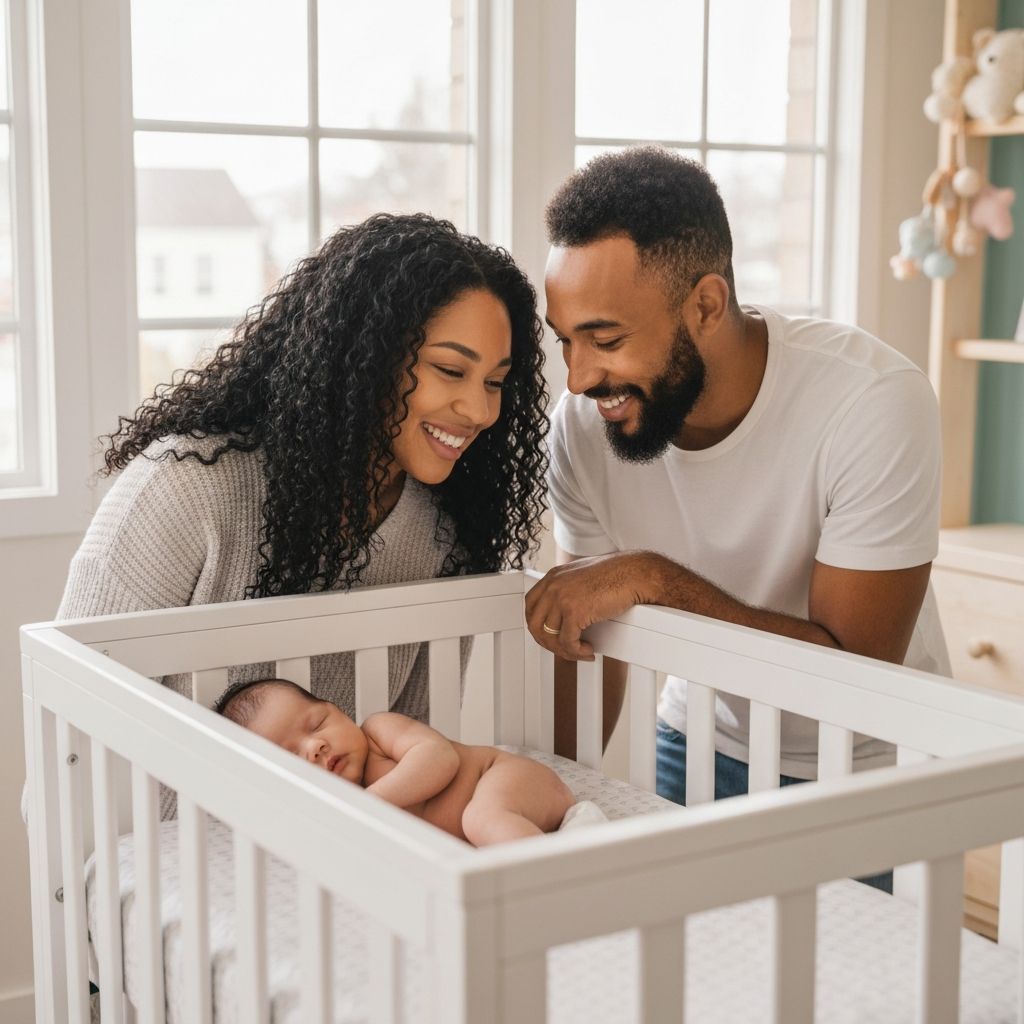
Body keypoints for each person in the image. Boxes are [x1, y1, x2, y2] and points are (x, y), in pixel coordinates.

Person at [524, 148, 949, 890]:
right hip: (696, 740)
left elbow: (853, 674)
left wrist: (652, 579)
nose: (580, 377)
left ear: (707, 306)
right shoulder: (583, 426)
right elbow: (588, 634)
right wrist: (565, 802)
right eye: (566, 341)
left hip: (867, 770)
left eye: (607, 339)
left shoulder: (873, 402)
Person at [57, 214, 549, 810]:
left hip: (331, 852)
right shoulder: (188, 489)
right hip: (166, 855)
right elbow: (69, 736)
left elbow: (405, 748)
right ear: (365, 356)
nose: (478, 409)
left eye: (495, 382)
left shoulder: (444, 534)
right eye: (450, 369)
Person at [216, 678, 575, 846]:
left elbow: (439, 758)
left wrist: (367, 804)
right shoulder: (335, 819)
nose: (316, 746)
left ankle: (558, 883)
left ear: (338, 710)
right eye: (291, 756)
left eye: (317, 724)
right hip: (503, 826)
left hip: (507, 777)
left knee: (482, 818)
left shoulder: (377, 732)